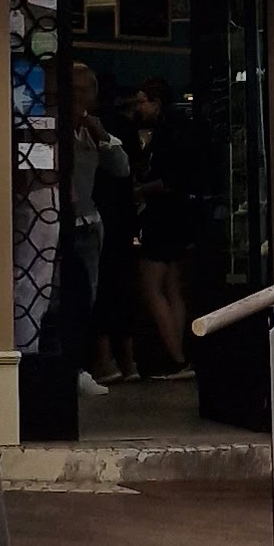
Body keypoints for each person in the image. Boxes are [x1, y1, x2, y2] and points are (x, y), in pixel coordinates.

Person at [71, 62, 137, 387]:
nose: (79, 96)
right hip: (56, 224)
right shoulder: (50, 128)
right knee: (57, 298)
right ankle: (67, 366)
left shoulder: (92, 130)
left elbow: (122, 168)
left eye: (85, 90)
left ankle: (82, 367)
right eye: (74, 89)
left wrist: (101, 134)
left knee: (88, 297)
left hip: (89, 224)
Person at [129, 77, 197, 374]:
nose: (138, 108)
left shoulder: (166, 133)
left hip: (161, 216)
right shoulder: (182, 128)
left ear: (156, 102)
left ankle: (174, 356)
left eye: (142, 101)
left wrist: (139, 190)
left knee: (152, 286)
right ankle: (179, 354)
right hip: (179, 216)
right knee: (173, 287)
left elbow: (168, 179)